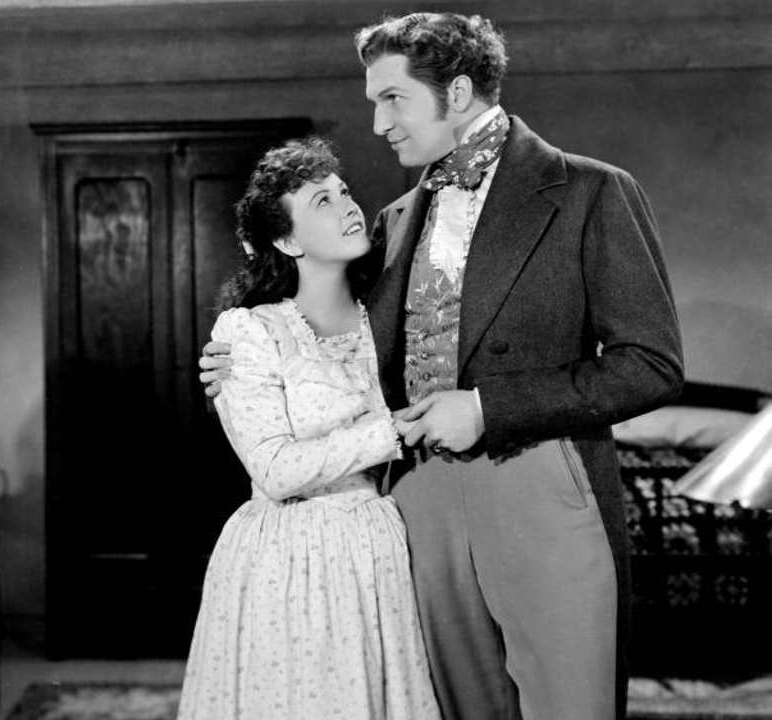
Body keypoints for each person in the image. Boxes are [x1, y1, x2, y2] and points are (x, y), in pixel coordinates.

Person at [199, 13, 684, 720]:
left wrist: (488, 407)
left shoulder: (590, 191)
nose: (378, 123)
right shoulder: (392, 222)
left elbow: (652, 364)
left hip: (541, 478)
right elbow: (327, 331)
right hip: (417, 501)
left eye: (392, 98)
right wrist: (232, 356)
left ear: (455, 94)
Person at [177, 137, 441, 720]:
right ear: (287, 240)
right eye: (322, 201)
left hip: (377, 547)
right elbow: (274, 470)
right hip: (288, 555)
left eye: (343, 192)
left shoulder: (389, 321)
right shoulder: (251, 332)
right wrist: (391, 432)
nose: (348, 207)